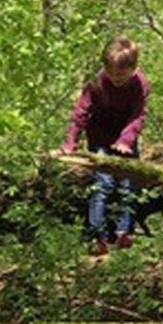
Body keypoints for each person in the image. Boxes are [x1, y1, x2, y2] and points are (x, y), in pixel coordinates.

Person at [59, 36, 149, 256]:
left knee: (129, 183)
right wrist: (70, 141)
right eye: (112, 73)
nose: (116, 78)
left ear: (133, 69)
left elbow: (138, 116)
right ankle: (96, 235)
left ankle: (124, 232)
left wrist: (126, 140)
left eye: (121, 74)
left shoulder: (140, 84)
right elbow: (81, 112)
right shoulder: (97, 83)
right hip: (99, 136)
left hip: (125, 137)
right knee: (103, 184)